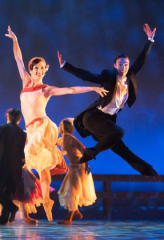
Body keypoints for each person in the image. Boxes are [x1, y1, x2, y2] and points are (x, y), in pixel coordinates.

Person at [6, 26, 107, 221]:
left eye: (41, 68)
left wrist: (92, 88)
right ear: (31, 70)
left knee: (34, 159)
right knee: (38, 165)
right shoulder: (25, 82)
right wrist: (14, 39)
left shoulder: (46, 89)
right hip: (30, 129)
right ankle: (45, 200)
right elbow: (18, 58)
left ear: (45, 70)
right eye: (35, 68)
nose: (37, 71)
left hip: (42, 127)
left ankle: (45, 201)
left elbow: (69, 89)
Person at [57, 23, 160, 181]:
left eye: (126, 65)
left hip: (105, 121)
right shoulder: (108, 76)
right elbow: (87, 75)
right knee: (119, 132)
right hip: (92, 117)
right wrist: (65, 66)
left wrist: (150, 40)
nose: (124, 67)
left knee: (120, 148)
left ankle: (147, 170)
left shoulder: (130, 76)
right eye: (120, 64)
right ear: (114, 65)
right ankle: (91, 153)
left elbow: (141, 60)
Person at [56, 118, 96, 225]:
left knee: (72, 191)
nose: (58, 128)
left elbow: (84, 150)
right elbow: (52, 144)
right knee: (68, 190)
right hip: (72, 167)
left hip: (79, 167)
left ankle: (69, 218)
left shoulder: (71, 139)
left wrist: (87, 165)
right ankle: (76, 212)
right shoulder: (62, 139)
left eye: (60, 126)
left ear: (64, 127)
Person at [0, 108, 26, 225]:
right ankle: (3, 219)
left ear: (8, 117)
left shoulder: (2, 128)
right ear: (19, 119)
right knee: (9, 191)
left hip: (4, 162)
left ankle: (12, 207)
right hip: (16, 165)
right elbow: (21, 152)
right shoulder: (22, 133)